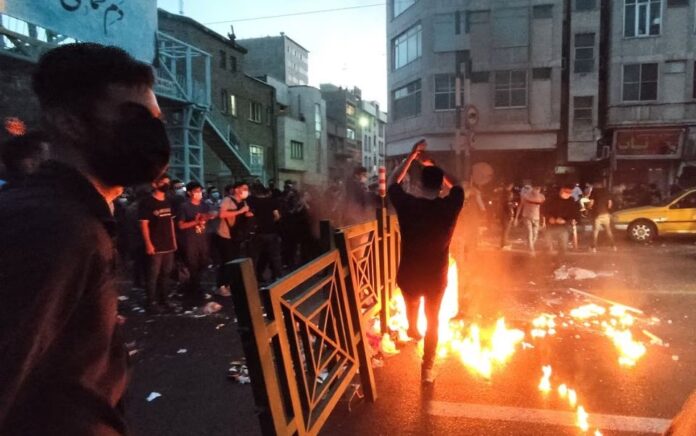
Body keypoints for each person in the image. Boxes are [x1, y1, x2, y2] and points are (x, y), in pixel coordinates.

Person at [0, 43, 169, 434]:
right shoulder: (53, 226)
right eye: (133, 117)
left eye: (155, 120)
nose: (151, 135)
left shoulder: (75, 216)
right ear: (69, 122)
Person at [388, 140, 464, 384]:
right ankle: (428, 368)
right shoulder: (449, 206)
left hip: (409, 275)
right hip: (436, 277)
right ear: (441, 186)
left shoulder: (408, 205)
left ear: (419, 184)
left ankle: (411, 327)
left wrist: (411, 156)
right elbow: (459, 184)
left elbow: (392, 182)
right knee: (433, 320)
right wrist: (434, 163)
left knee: (412, 305)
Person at [139, 174, 178, 313]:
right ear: (154, 184)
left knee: (165, 274)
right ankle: (151, 302)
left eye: (168, 182)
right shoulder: (147, 202)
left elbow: (171, 222)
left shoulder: (168, 201)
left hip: (168, 244)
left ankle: (164, 300)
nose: (166, 185)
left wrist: (173, 241)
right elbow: (144, 225)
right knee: (153, 275)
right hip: (155, 245)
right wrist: (148, 243)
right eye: (163, 182)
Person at [177, 181, 215, 306]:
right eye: (196, 191)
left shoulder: (204, 205)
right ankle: (194, 289)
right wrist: (196, 222)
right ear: (189, 193)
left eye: (200, 191)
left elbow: (212, 214)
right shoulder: (184, 206)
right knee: (192, 264)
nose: (199, 193)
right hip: (190, 240)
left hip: (202, 239)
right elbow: (181, 225)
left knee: (203, 263)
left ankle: (193, 286)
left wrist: (209, 216)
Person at [215, 182, 253, 296]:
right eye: (244, 188)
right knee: (226, 261)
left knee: (233, 261)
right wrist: (240, 211)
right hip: (225, 234)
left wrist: (247, 215)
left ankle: (229, 285)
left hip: (237, 236)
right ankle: (221, 286)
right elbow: (221, 214)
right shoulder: (227, 200)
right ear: (236, 190)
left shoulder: (244, 202)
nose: (246, 191)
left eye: (247, 188)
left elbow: (242, 217)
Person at [248, 185, 283, 282]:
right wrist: (271, 221)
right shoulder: (272, 202)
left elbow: (250, 215)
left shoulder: (252, 201)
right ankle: (278, 277)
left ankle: (253, 278)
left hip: (257, 232)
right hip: (271, 231)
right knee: (275, 256)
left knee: (255, 256)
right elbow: (277, 216)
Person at [543, 185, 581, 255]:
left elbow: (575, 214)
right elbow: (544, 210)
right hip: (551, 227)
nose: (568, 194)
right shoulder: (552, 199)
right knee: (547, 247)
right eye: (566, 192)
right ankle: (546, 262)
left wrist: (567, 220)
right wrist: (550, 218)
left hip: (564, 228)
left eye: (570, 192)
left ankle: (559, 262)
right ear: (562, 190)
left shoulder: (571, 201)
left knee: (563, 247)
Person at [515, 184, 545, 256]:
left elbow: (544, 210)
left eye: (538, 189)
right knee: (529, 232)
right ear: (533, 188)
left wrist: (544, 221)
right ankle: (531, 249)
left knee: (535, 234)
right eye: (535, 188)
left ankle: (530, 245)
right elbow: (520, 206)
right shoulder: (526, 196)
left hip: (536, 218)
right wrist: (516, 217)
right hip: (526, 216)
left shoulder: (541, 197)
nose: (536, 190)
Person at [588, 181, 617, 253]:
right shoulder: (607, 191)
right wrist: (608, 210)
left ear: (595, 185)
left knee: (595, 231)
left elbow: (591, 203)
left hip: (597, 214)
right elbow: (610, 204)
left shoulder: (594, 191)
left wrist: (588, 207)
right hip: (606, 214)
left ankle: (594, 248)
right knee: (608, 230)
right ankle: (613, 246)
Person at [499, 182, 517, 250]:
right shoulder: (507, 195)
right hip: (506, 215)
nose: (512, 196)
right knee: (506, 230)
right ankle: (503, 244)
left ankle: (503, 243)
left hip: (502, 214)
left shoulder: (502, 194)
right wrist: (511, 214)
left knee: (504, 230)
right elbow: (508, 207)